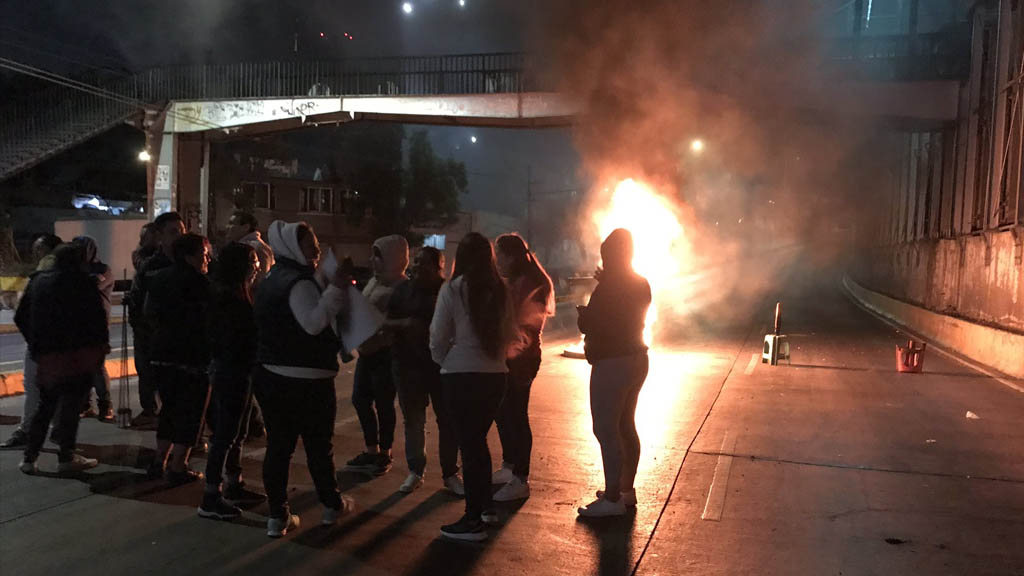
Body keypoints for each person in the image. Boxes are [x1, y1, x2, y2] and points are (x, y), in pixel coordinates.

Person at [254, 220, 353, 538]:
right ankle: (330, 505)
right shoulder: (299, 283)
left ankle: (276, 516)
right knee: (318, 447)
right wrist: (336, 289)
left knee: (279, 447)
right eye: (310, 244)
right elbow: (312, 324)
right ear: (294, 247)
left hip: (272, 375)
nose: (317, 248)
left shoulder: (272, 277)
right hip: (308, 378)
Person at [429, 232, 515, 542]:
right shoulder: (500, 289)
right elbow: (509, 334)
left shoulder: (453, 289)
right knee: (479, 442)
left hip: (461, 375)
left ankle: (472, 519)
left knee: (470, 445)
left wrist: (446, 361)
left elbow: (437, 337)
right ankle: (486, 508)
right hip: (495, 375)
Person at [576, 228, 651, 517]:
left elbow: (599, 323)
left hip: (612, 362)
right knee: (625, 426)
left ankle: (611, 499)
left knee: (605, 428)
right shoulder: (640, 282)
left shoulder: (609, 287)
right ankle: (625, 490)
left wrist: (585, 317)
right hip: (637, 358)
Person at [17, 243, 108, 475]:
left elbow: (21, 316)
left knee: (44, 406)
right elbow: (96, 322)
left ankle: (29, 457)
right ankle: (66, 457)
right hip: (76, 356)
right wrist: (99, 350)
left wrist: (36, 343)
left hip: (47, 356)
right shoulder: (82, 283)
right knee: (69, 407)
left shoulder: (38, 281)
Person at [198, 242, 266, 520]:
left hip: (239, 370)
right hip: (232, 371)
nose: (256, 268)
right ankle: (211, 496)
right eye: (253, 262)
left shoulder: (237, 295)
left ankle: (233, 483)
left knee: (235, 432)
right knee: (225, 434)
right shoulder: (228, 300)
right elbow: (233, 340)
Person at [387, 246, 463, 495]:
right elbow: (384, 321)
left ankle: (450, 473)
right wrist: (405, 324)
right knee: (414, 421)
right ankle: (415, 472)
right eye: (415, 262)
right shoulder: (402, 291)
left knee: (448, 421)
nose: (416, 267)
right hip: (408, 366)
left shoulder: (449, 291)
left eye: (423, 263)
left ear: (439, 266)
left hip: (442, 368)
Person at [145, 233, 212, 486]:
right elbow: (210, 321)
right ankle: (178, 465)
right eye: (203, 255)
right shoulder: (201, 283)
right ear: (190, 256)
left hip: (162, 354)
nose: (207, 260)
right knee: (191, 412)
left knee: (169, 410)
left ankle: (158, 461)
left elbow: (148, 312)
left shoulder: (160, 278)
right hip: (192, 358)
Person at [492, 233, 555, 502]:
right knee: (504, 411)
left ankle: (520, 477)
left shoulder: (527, 283)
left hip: (521, 357)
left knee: (516, 414)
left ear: (511, 256)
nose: (497, 261)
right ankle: (510, 466)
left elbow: (519, 320)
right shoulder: (523, 280)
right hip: (514, 354)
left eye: (500, 255)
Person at [345, 235, 408, 477]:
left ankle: (385, 452)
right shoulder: (374, 281)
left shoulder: (401, 287)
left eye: (377, 256)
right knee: (360, 399)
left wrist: (381, 325)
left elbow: (397, 322)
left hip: (385, 354)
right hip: (366, 351)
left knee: (383, 404)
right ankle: (371, 450)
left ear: (392, 258)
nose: (372, 261)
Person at [1, 234, 63, 450]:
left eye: (39, 249)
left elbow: (22, 313)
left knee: (38, 390)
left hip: (41, 344)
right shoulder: (68, 277)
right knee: (52, 390)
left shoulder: (40, 277)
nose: (36, 253)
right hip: (55, 345)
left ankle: (32, 436)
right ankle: (57, 434)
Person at [128, 212, 186, 428]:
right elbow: (138, 300)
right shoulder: (151, 267)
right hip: (153, 336)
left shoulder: (195, 261)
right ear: (160, 236)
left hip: (185, 339)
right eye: (173, 232)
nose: (179, 236)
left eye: (182, 231)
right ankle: (151, 412)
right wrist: (142, 329)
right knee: (150, 375)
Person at [72, 236, 115, 422]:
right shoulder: (74, 270)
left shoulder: (103, 269)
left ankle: (105, 404)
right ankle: (85, 404)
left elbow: (93, 285)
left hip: (96, 325)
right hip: (77, 323)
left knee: (96, 366)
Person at [225, 211, 275, 284]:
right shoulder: (246, 246)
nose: (227, 227)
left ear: (246, 227)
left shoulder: (256, 248)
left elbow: (261, 279)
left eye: (231, 223)